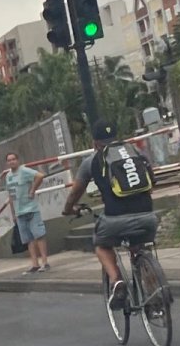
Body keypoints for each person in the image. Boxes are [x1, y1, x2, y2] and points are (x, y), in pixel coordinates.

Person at [62, 118, 158, 306]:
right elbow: (152, 181)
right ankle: (157, 296)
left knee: (101, 243)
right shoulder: (135, 152)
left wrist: (68, 210)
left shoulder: (91, 162)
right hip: (148, 216)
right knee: (140, 247)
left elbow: (75, 192)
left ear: (95, 142)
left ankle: (117, 281)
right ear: (116, 136)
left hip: (116, 219)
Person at [5, 151, 48, 274]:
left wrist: (33, 189)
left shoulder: (24, 171)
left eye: (13, 159)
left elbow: (40, 176)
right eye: (9, 160)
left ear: (17, 160)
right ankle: (34, 263)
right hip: (19, 211)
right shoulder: (8, 176)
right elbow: (11, 194)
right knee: (28, 239)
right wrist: (13, 213)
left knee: (39, 235)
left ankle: (45, 262)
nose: (12, 161)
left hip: (31, 208)